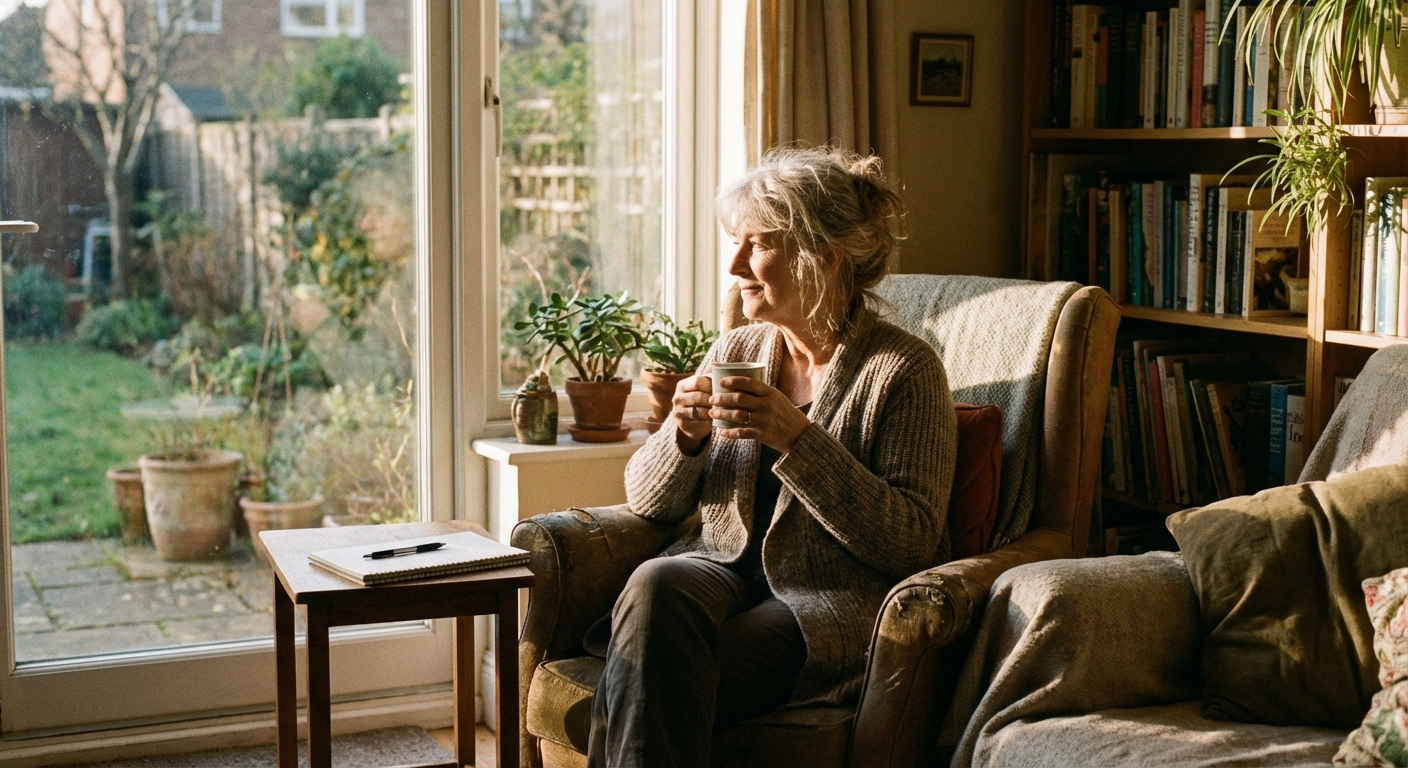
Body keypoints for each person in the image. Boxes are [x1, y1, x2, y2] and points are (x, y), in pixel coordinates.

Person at [587, 147, 958, 767]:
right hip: (720, 568)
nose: (735, 265)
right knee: (656, 584)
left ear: (825, 254)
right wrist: (683, 436)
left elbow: (913, 541)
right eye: (735, 243)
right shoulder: (739, 347)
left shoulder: (905, 370)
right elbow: (648, 500)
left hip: (820, 597)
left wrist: (798, 439)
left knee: (648, 678)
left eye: (756, 245)